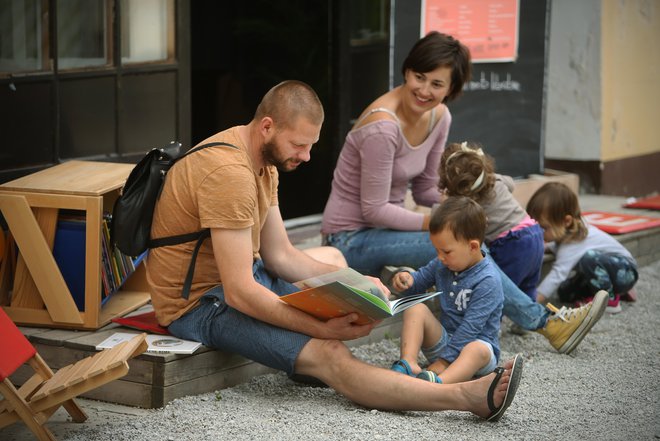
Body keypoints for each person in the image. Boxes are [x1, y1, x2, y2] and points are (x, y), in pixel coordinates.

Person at [146, 80, 523, 421]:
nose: (307, 157)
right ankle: (465, 396)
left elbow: (280, 255)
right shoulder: (228, 174)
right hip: (198, 305)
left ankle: (319, 363)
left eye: (311, 145)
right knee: (329, 353)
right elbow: (240, 292)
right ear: (267, 127)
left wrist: (356, 282)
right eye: (299, 145)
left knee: (343, 283)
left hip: (241, 278)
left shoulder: (264, 162)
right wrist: (320, 328)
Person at [320, 31, 608, 355]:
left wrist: (472, 203)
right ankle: (546, 323)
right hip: (349, 238)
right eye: (419, 77)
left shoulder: (439, 116)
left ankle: (487, 323)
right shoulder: (383, 128)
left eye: (437, 84)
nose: (424, 90)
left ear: (451, 89)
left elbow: (426, 187)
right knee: (460, 243)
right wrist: (436, 221)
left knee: (465, 238)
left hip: (385, 231)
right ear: (406, 71)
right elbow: (373, 209)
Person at [390, 197, 503, 384]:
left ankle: (440, 383)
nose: (440, 257)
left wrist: (444, 361)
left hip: (474, 353)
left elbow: (471, 327)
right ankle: (409, 363)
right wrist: (406, 280)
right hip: (444, 341)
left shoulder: (488, 280)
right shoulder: (443, 264)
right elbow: (418, 283)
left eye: (446, 252)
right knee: (415, 308)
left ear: (473, 247)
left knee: (477, 349)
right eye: (437, 251)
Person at [439, 141, 544, 301]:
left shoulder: (465, 205)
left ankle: (490, 324)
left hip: (511, 244)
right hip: (534, 233)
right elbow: (511, 184)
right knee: (527, 288)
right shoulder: (495, 179)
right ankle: (531, 322)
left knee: (497, 293)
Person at [526, 182, 639, 314]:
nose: (539, 232)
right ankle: (614, 290)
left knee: (589, 258)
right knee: (564, 293)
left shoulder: (574, 242)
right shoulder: (568, 231)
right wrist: (547, 247)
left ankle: (610, 302)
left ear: (567, 221)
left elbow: (556, 275)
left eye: (544, 228)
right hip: (610, 271)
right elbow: (558, 245)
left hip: (626, 271)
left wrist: (532, 303)